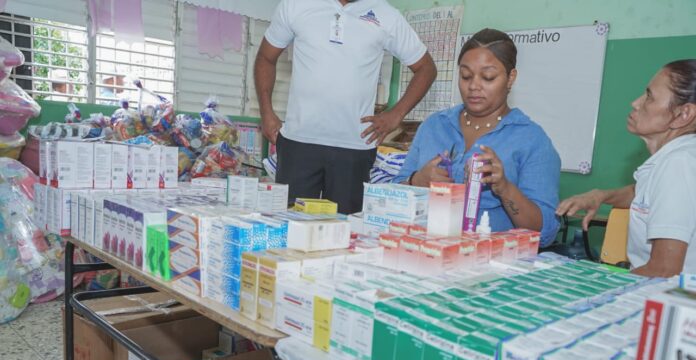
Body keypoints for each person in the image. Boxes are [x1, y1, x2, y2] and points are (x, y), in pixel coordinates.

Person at [254, 0, 437, 214]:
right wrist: (266, 113)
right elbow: (266, 58)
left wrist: (396, 114)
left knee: (346, 228)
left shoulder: (387, 15)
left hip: (355, 149)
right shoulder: (296, 5)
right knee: (290, 224)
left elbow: (426, 68)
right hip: (299, 143)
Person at [394, 28, 561, 247]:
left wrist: (505, 189)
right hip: (426, 251)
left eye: (488, 77)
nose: (473, 86)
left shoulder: (531, 140)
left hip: (492, 260)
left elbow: (545, 232)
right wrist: (416, 181)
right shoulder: (434, 126)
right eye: (465, 76)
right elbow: (391, 196)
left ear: (510, 78)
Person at [557, 59, 696, 276]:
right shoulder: (675, 158)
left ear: (683, 114)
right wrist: (601, 196)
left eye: (649, 97)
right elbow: (644, 193)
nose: (636, 103)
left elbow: (664, 270)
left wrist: (602, 290)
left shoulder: (679, 164)